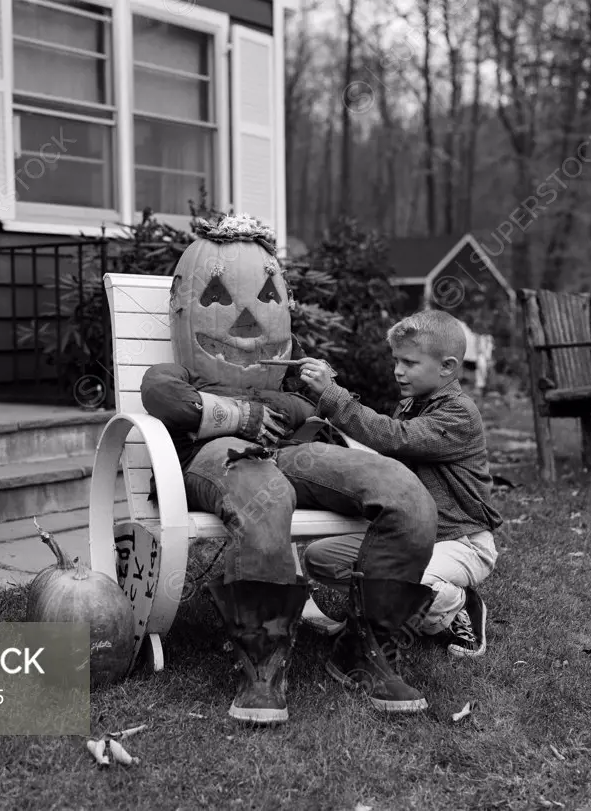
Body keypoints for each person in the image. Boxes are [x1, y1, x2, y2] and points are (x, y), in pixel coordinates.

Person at [140, 213, 439, 725]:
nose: (247, 320)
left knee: (404, 492)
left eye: (269, 296)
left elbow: (313, 414)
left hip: (294, 454)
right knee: (268, 495)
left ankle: (366, 650)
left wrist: (314, 393)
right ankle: (263, 665)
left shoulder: (289, 377)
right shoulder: (181, 371)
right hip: (216, 457)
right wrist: (242, 415)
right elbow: (162, 396)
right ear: (185, 307)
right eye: (217, 296)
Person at [298, 309, 503, 658]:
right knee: (320, 559)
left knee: (399, 580)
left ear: (447, 367)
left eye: (409, 362)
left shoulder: (459, 413)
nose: (398, 370)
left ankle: (457, 606)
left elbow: (394, 438)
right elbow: (389, 457)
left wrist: (333, 396)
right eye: (396, 360)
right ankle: (384, 607)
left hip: (460, 541)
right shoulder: (410, 405)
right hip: (411, 534)